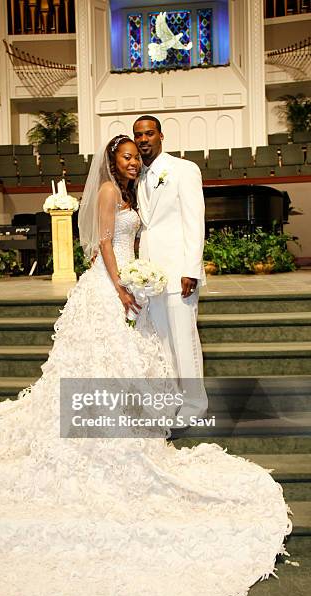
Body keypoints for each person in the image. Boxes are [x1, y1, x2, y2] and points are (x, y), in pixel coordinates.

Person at [0, 136, 290, 596]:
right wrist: (121, 288)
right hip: (113, 288)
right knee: (105, 357)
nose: (132, 161)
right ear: (111, 161)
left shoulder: (134, 191)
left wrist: (138, 277)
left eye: (134, 156)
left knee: (134, 359)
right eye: (125, 156)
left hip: (132, 281)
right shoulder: (109, 192)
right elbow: (105, 245)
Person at [133, 115, 208, 421]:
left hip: (179, 273)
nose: (143, 139)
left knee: (184, 340)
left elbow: (194, 221)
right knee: (163, 341)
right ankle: (175, 401)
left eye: (149, 133)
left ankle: (195, 406)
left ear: (161, 136)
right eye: (138, 135)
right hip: (152, 275)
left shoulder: (183, 170)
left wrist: (191, 268)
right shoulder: (137, 176)